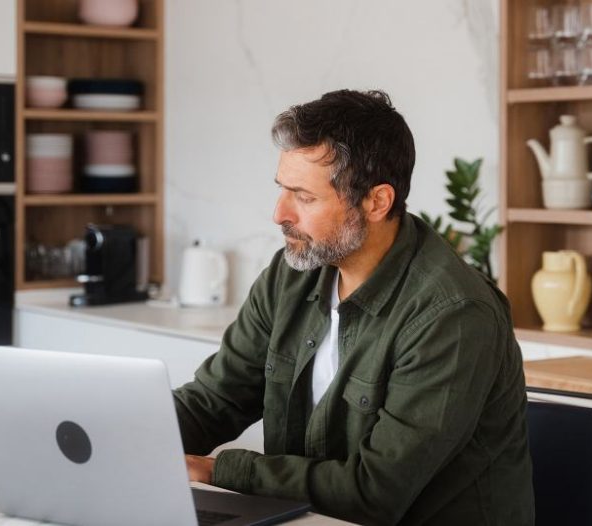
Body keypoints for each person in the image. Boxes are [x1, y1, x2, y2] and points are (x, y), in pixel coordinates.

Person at [173, 89, 534, 525]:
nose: (279, 214)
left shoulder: (453, 314)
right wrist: (121, 431)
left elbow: (374, 491)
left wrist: (216, 470)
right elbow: (217, 398)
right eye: (283, 190)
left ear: (377, 201)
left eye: (304, 197)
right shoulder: (294, 272)